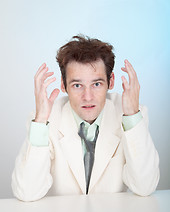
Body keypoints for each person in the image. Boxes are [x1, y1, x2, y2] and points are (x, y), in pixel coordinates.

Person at [11, 35, 160, 201]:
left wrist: (132, 116)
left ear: (110, 83)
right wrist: (40, 121)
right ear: (63, 85)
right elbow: (27, 192)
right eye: (77, 85)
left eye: (96, 84)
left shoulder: (130, 114)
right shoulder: (47, 119)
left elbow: (145, 186)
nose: (87, 97)